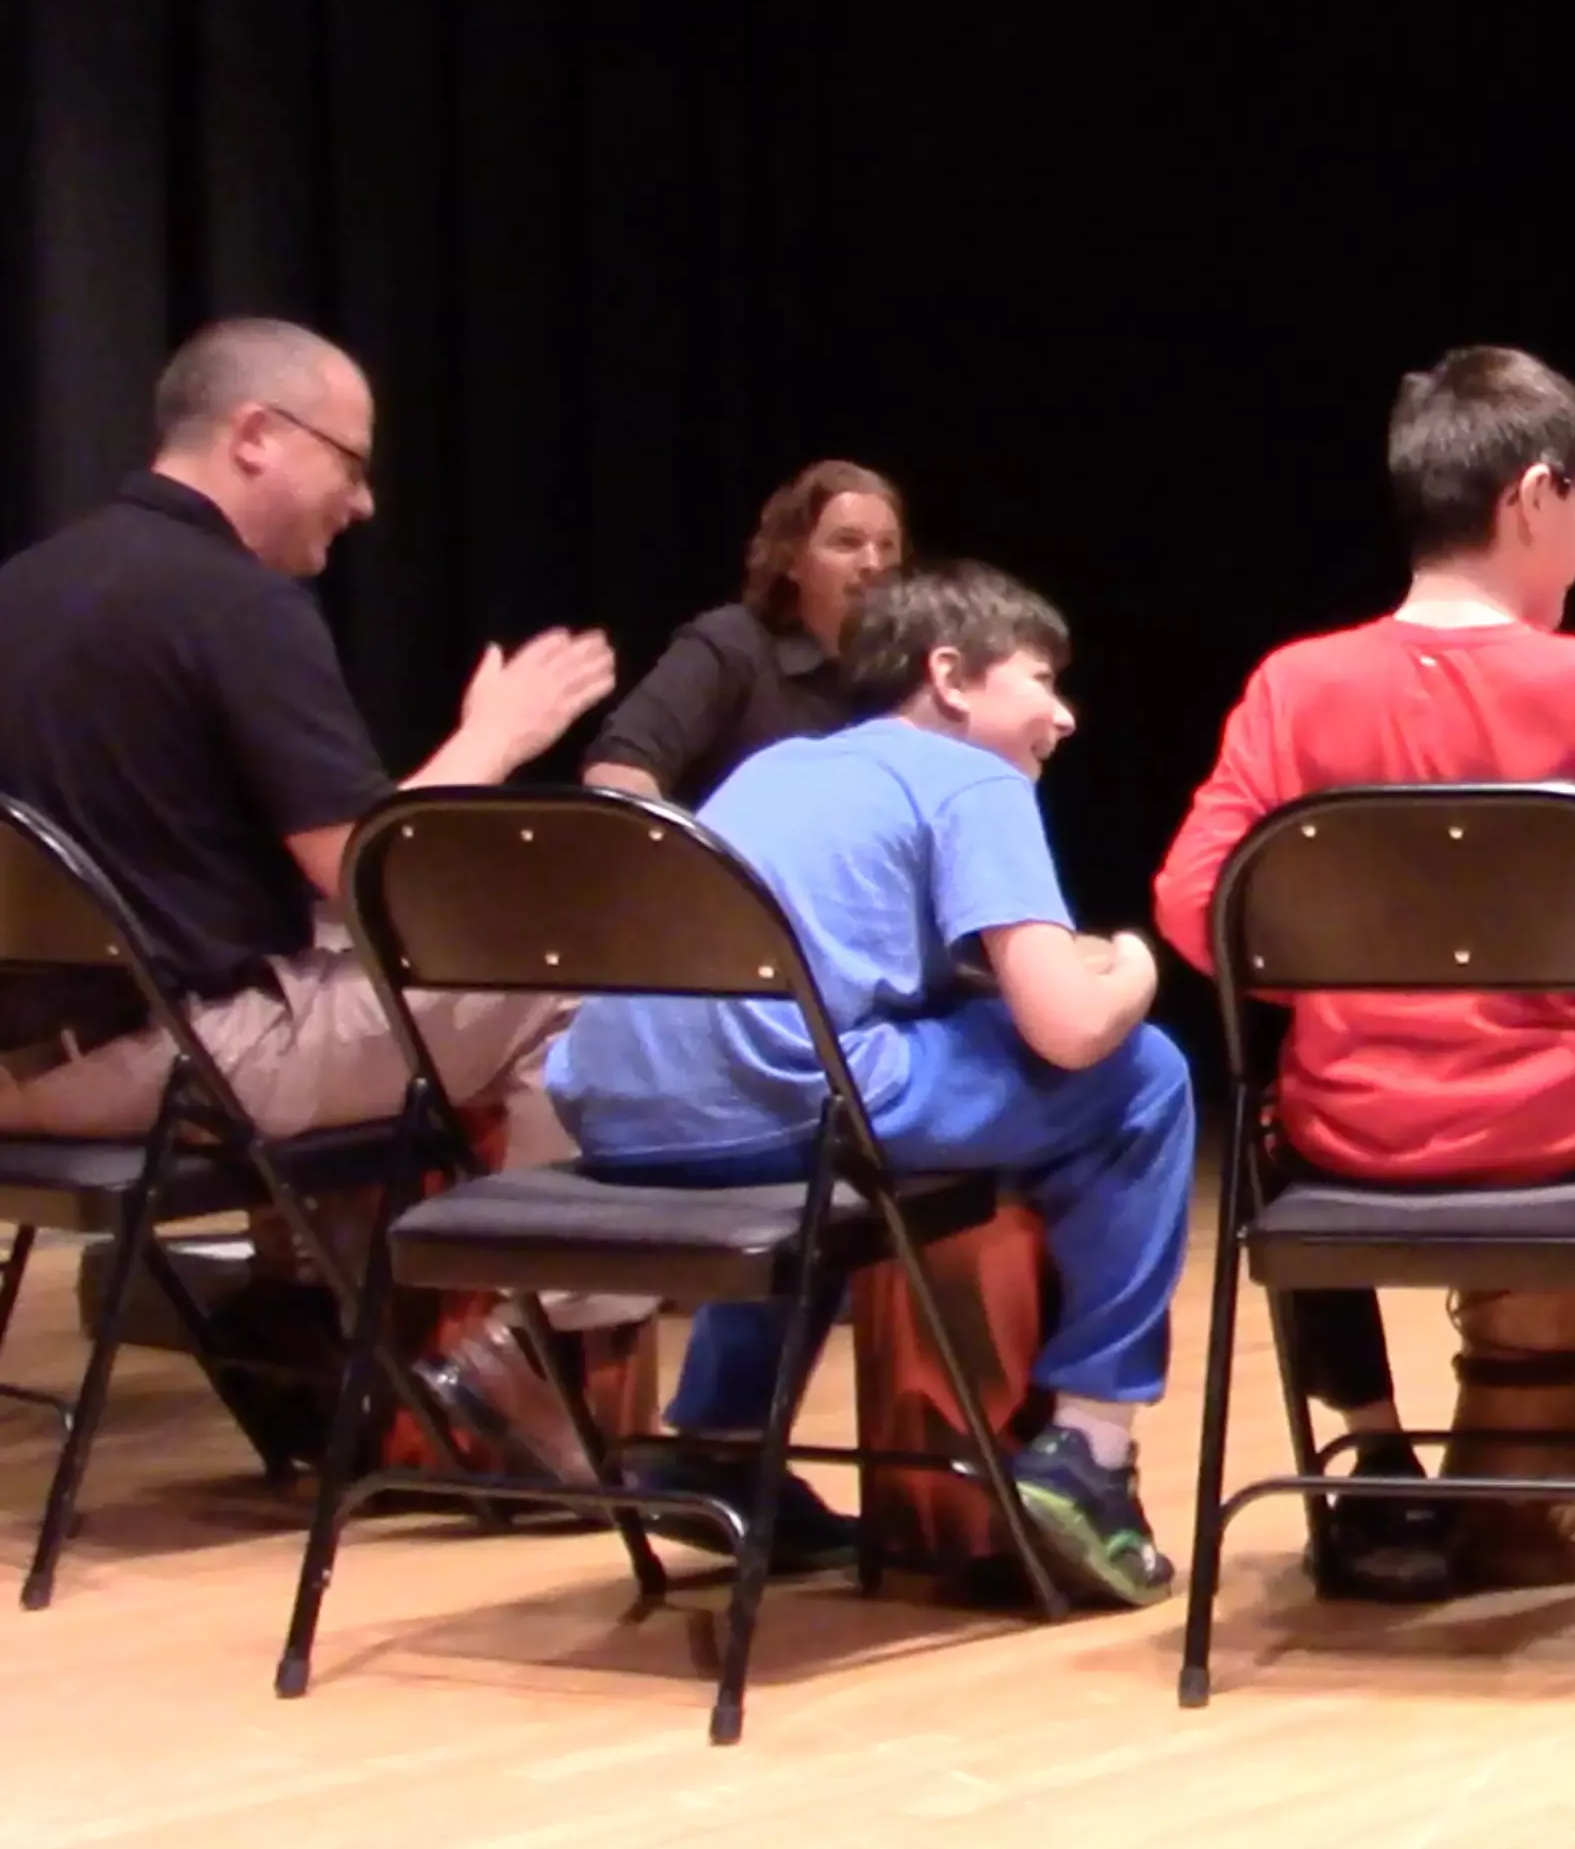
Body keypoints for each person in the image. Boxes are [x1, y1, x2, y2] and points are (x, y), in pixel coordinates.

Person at [1154, 345, 1575, 1601]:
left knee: (1266, 1134)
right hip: (1571, 1128)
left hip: (1355, 1135)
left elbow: (1192, 909)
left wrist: (1346, 992)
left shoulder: (1296, 682)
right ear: (1533, 496)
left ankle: (1379, 1465)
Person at [0, 315, 623, 1467]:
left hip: (19, 1067)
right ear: (255, 435)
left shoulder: (23, 590)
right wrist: (495, 735)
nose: (365, 501)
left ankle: (302, 1311)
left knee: (328, 975)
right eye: (351, 461)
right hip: (157, 1068)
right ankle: (520, 1347)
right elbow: (371, 867)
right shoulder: (238, 605)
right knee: (574, 985)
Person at [546, 560, 1193, 1606]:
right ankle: (1091, 1449)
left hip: (619, 1113)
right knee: (1145, 1068)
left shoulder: (778, 768)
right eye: (1041, 680)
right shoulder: (970, 777)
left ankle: (716, 1437)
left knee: (837, 1117)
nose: (1065, 717)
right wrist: (1136, 963)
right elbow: (1070, 1029)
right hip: (776, 1105)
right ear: (951, 675)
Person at [582, 459, 907, 804]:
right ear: (792, 561)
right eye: (847, 543)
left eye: (887, 546)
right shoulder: (732, 643)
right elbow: (618, 768)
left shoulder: (909, 666)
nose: (874, 564)